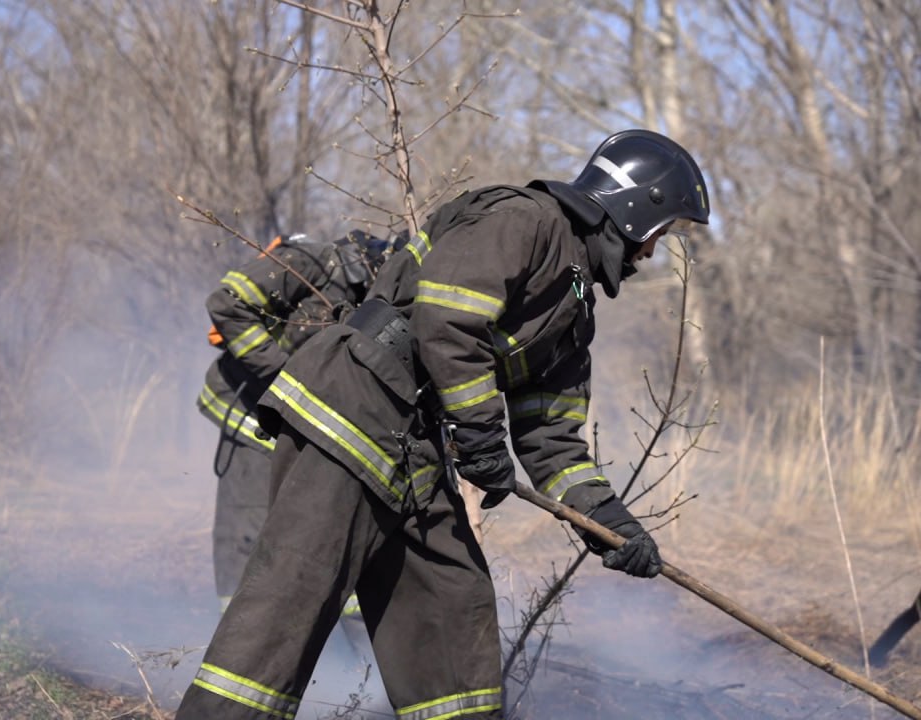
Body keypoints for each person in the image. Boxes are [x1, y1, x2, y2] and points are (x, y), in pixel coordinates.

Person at [176, 129, 711, 720]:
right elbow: (448, 321)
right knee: (289, 607)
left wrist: (609, 522)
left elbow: (551, 438)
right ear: (637, 209)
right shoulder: (525, 220)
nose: (652, 252)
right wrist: (481, 433)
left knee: (454, 609)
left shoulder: (574, 308)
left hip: (415, 444)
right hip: (352, 411)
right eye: (662, 233)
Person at [197, 230, 387, 611]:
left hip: (304, 426)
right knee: (248, 534)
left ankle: (337, 639)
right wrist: (282, 374)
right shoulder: (311, 261)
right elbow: (226, 302)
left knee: (314, 534)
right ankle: (237, 630)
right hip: (250, 414)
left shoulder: (371, 298)